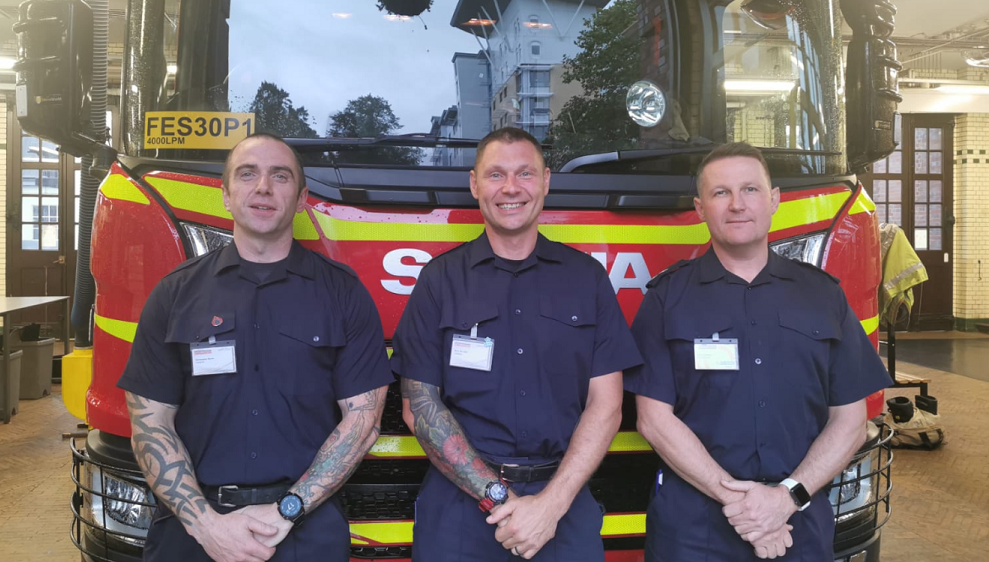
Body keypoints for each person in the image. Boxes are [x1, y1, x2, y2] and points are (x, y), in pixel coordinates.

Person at [118, 133, 393, 562]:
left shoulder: (343, 293)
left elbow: (363, 422)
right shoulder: (174, 294)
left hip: (305, 525)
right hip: (192, 527)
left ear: (301, 198)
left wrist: (288, 511)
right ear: (225, 196)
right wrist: (207, 525)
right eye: (248, 175)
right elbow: (149, 424)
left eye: (279, 176)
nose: (263, 187)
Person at [624, 142, 892, 561]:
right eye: (720, 193)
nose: (736, 205)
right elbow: (653, 420)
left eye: (750, 189)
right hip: (695, 531)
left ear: (774, 200)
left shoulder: (823, 295)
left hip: (797, 524)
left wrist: (785, 498)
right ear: (700, 208)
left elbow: (850, 421)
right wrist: (740, 503)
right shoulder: (666, 298)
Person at [390, 127, 642, 561]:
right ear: (474, 184)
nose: (511, 188)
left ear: (546, 182)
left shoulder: (587, 279)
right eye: (496, 175)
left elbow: (608, 405)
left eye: (525, 173)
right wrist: (498, 498)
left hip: (563, 502)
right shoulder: (440, 280)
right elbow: (419, 406)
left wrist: (551, 505)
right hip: (462, 507)